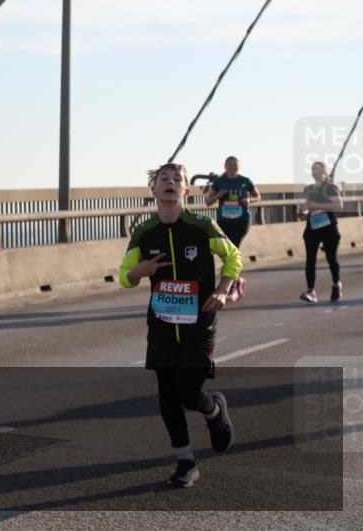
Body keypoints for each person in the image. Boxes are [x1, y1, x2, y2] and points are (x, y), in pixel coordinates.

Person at [119, 163, 240, 488]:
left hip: (199, 324)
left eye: (177, 180)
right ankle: (185, 461)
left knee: (188, 392)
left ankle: (214, 409)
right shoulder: (144, 231)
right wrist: (139, 270)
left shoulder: (202, 226)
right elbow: (124, 277)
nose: (170, 183)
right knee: (167, 395)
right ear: (154, 191)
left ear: (186, 191)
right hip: (160, 325)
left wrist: (223, 289)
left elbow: (234, 258)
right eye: (164, 180)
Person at [205, 156, 259, 302]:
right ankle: (238, 280)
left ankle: (233, 288)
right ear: (225, 166)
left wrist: (250, 200)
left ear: (239, 166)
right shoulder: (219, 182)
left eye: (235, 164)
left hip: (241, 221)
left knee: (233, 251)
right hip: (224, 221)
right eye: (229, 164)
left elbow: (258, 196)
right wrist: (218, 195)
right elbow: (208, 202)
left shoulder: (245, 181)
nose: (232, 167)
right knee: (226, 254)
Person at [297, 161, 343, 303]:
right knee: (310, 259)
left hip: (329, 228)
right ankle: (311, 291)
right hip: (313, 228)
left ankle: (336, 284)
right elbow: (309, 207)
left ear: (324, 171)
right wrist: (304, 213)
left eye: (317, 169)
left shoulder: (330, 187)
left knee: (331, 259)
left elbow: (339, 205)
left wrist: (317, 205)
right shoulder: (309, 189)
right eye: (312, 169)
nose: (314, 172)